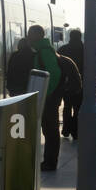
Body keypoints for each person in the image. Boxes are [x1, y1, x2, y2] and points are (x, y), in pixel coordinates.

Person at [28, 24, 63, 171]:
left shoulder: (44, 52)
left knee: (51, 131)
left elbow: (54, 74)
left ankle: (50, 162)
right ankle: (48, 161)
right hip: (47, 98)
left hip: (48, 99)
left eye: (30, 34)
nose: (28, 37)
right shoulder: (42, 51)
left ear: (37, 36)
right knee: (48, 130)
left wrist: (45, 94)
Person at [58, 29, 84, 138]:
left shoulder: (63, 49)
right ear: (80, 37)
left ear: (70, 37)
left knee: (67, 107)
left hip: (66, 84)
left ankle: (66, 129)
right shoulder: (85, 50)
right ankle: (75, 130)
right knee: (78, 108)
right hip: (80, 84)